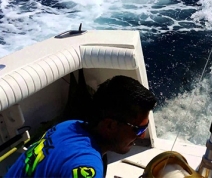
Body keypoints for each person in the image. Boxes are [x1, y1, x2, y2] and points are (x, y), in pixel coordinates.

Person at [5, 75, 157, 178]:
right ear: (110, 125)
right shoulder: (87, 167)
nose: (143, 135)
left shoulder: (68, 125)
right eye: (138, 129)